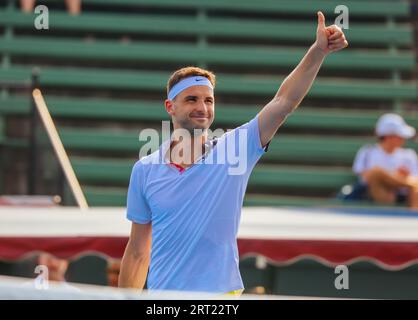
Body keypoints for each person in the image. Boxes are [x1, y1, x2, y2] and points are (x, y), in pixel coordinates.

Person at [118, 12, 348, 294]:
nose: (202, 107)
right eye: (192, 99)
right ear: (170, 107)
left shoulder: (235, 148)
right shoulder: (144, 169)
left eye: (208, 100)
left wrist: (318, 52)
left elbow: (284, 101)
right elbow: (138, 251)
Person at [352, 113, 418, 209]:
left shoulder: (409, 155)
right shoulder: (367, 152)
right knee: (376, 173)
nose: (403, 140)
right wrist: (395, 177)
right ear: (388, 136)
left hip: (403, 196)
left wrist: (402, 178)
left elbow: (415, 180)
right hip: (376, 196)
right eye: (399, 136)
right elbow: (366, 177)